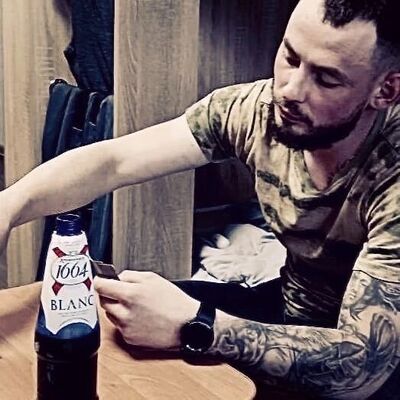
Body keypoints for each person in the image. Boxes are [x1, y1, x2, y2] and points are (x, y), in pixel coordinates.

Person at [1, 0, 399, 398]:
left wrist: (195, 325)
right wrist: (9, 206)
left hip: (376, 364)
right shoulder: (258, 110)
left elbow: (363, 369)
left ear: (386, 89)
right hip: (289, 305)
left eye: (326, 79)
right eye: (290, 57)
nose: (290, 90)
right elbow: (114, 162)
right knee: (109, 319)